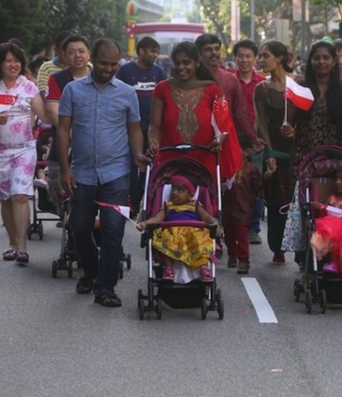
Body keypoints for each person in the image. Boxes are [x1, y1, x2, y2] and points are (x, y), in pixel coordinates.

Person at [57, 39, 148, 307]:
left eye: (114, 64)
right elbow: (63, 130)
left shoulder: (127, 93)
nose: (109, 69)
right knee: (80, 227)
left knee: (112, 230)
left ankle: (105, 288)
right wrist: (64, 169)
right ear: (92, 59)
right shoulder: (72, 91)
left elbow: (134, 129)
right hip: (81, 174)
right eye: (103, 63)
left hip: (116, 174)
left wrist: (138, 155)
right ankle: (92, 271)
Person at [0, 42, 52, 265]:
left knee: (20, 195)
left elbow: (45, 117)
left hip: (24, 150)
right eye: (8, 60)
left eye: (17, 60)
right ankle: (12, 242)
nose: (13, 64)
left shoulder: (28, 87)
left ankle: (22, 247)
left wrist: (61, 112)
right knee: (6, 199)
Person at [283, 41, 342, 271]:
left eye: (326, 58)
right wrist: (287, 129)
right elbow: (289, 122)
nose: (321, 62)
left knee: (332, 210)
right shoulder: (300, 87)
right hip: (303, 158)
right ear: (310, 61)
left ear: (334, 61)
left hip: (334, 159)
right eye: (317, 58)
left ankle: (330, 259)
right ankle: (305, 263)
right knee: (307, 210)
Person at [147, 41, 227, 179]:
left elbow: (224, 127)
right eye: (177, 63)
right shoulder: (162, 89)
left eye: (186, 62)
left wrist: (219, 140)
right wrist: (153, 141)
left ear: (197, 63)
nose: (181, 67)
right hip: (169, 163)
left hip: (204, 162)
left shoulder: (213, 89)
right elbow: (154, 126)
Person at [254, 41, 295, 265]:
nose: (261, 60)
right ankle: (277, 247)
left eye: (265, 56)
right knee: (276, 201)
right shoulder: (262, 89)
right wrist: (269, 153)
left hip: (298, 150)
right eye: (260, 56)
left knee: (301, 200)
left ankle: (303, 251)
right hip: (275, 152)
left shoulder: (298, 84)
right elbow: (260, 123)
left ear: (279, 58)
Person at [117, 36, 166, 218]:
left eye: (156, 51)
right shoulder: (125, 71)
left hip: (152, 126)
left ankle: (147, 202)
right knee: (130, 165)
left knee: (151, 164)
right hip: (129, 127)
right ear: (140, 51)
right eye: (151, 51)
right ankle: (130, 202)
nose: (154, 55)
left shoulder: (159, 73)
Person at [136, 174, 219, 282]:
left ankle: (203, 267)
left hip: (192, 231)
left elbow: (206, 216)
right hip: (173, 231)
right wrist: (145, 223)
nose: (174, 192)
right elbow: (156, 218)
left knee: (201, 238)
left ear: (190, 195)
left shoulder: (195, 205)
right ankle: (169, 268)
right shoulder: (168, 206)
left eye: (180, 190)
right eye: (173, 189)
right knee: (166, 239)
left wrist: (213, 221)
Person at [44, 35, 92, 209]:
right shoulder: (57, 79)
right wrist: (72, 132)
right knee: (60, 187)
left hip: (93, 146)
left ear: (89, 54)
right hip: (65, 142)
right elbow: (52, 110)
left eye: (81, 51)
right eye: (71, 52)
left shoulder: (100, 77)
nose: (77, 55)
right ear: (64, 56)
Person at [195, 34, 262, 151]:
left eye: (217, 49)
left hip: (226, 141)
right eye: (208, 49)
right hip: (196, 140)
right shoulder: (191, 79)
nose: (214, 53)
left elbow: (241, 114)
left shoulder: (230, 80)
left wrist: (254, 138)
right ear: (199, 53)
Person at [231, 39, 266, 245]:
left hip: (256, 141)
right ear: (235, 58)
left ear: (255, 59)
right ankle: (230, 226)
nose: (244, 60)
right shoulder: (227, 81)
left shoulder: (262, 83)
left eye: (248, 56)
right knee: (232, 184)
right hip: (232, 140)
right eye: (241, 56)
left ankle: (253, 227)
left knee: (255, 184)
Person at [222, 134, 262, 275]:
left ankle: (244, 261)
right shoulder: (226, 167)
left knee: (242, 235)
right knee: (229, 235)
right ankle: (232, 254)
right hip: (228, 207)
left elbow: (258, 187)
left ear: (245, 152)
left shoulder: (251, 169)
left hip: (244, 208)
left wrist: (267, 177)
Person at [35, 31, 70, 95]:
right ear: (55, 50)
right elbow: (42, 92)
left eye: (69, 49)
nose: (66, 52)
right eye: (63, 49)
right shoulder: (46, 67)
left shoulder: (88, 67)